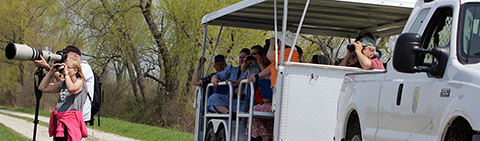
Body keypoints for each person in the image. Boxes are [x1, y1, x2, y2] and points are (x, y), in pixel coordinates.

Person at [247, 30, 300, 141]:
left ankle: (267, 137)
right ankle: (267, 136)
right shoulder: (283, 54)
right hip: (277, 95)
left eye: (279, 41)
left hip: (283, 96)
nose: (277, 43)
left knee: (255, 111)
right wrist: (256, 77)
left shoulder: (290, 52)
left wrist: (272, 45)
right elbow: (270, 68)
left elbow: (270, 56)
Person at [34, 46, 95, 125]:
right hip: (64, 117)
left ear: (75, 55)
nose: (64, 57)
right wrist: (51, 70)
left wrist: (47, 67)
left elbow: (70, 85)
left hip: (78, 117)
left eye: (66, 55)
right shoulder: (65, 79)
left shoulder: (84, 67)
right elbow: (44, 87)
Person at [38, 59, 88, 141]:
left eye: (68, 68)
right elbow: (42, 88)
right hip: (60, 120)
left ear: (75, 70)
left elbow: (72, 89)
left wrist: (66, 74)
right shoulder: (63, 84)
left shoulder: (80, 81)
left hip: (71, 122)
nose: (65, 69)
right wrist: (51, 72)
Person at [207, 48, 249, 114]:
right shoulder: (233, 69)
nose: (241, 59)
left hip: (244, 102)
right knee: (213, 97)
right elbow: (219, 75)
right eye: (240, 57)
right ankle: (229, 113)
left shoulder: (253, 70)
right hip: (230, 100)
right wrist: (214, 79)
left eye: (244, 57)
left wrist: (244, 91)